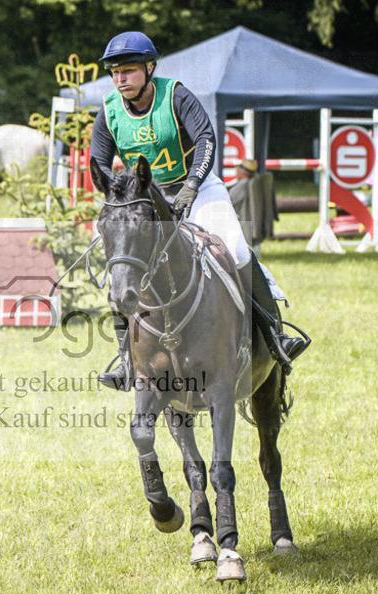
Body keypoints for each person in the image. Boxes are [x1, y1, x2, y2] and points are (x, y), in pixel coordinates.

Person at [89, 31, 308, 390]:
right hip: (145, 202)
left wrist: (191, 186)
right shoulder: (110, 110)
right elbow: (98, 161)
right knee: (120, 271)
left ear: (149, 67)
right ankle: (126, 359)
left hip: (197, 188)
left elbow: (206, 138)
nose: (120, 78)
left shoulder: (175, 95)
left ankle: (273, 336)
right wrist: (115, 200)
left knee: (236, 250)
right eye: (115, 72)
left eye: (128, 70)